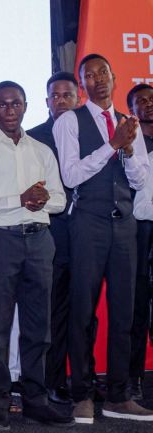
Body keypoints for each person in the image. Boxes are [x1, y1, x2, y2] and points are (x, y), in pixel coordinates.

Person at [0, 81, 74, 430]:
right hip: (3, 242)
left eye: (16, 104)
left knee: (38, 326)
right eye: (3, 105)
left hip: (40, 240)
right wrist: (19, 199)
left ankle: (35, 400)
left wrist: (41, 200)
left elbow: (60, 200)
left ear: (25, 107)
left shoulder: (41, 150)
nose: (10, 110)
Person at [54, 54, 153, 423]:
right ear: (82, 85)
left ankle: (119, 394)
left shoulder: (130, 123)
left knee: (125, 311)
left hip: (124, 224)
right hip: (88, 223)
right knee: (82, 308)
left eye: (102, 74)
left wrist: (127, 149)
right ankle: (81, 393)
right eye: (89, 75)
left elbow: (141, 179)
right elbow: (71, 174)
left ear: (114, 77)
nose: (97, 80)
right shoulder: (70, 121)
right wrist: (111, 145)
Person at [26, 71, 80, 405]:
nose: (60, 101)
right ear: (46, 102)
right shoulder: (33, 138)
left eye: (67, 95)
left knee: (84, 312)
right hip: (48, 236)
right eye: (55, 96)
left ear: (78, 99)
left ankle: (83, 380)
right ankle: (51, 380)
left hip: (89, 234)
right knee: (51, 313)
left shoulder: (93, 134)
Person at [127, 83, 153, 401]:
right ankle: (131, 379)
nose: (148, 105)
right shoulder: (128, 141)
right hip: (136, 230)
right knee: (135, 309)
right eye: (141, 102)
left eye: (152, 100)